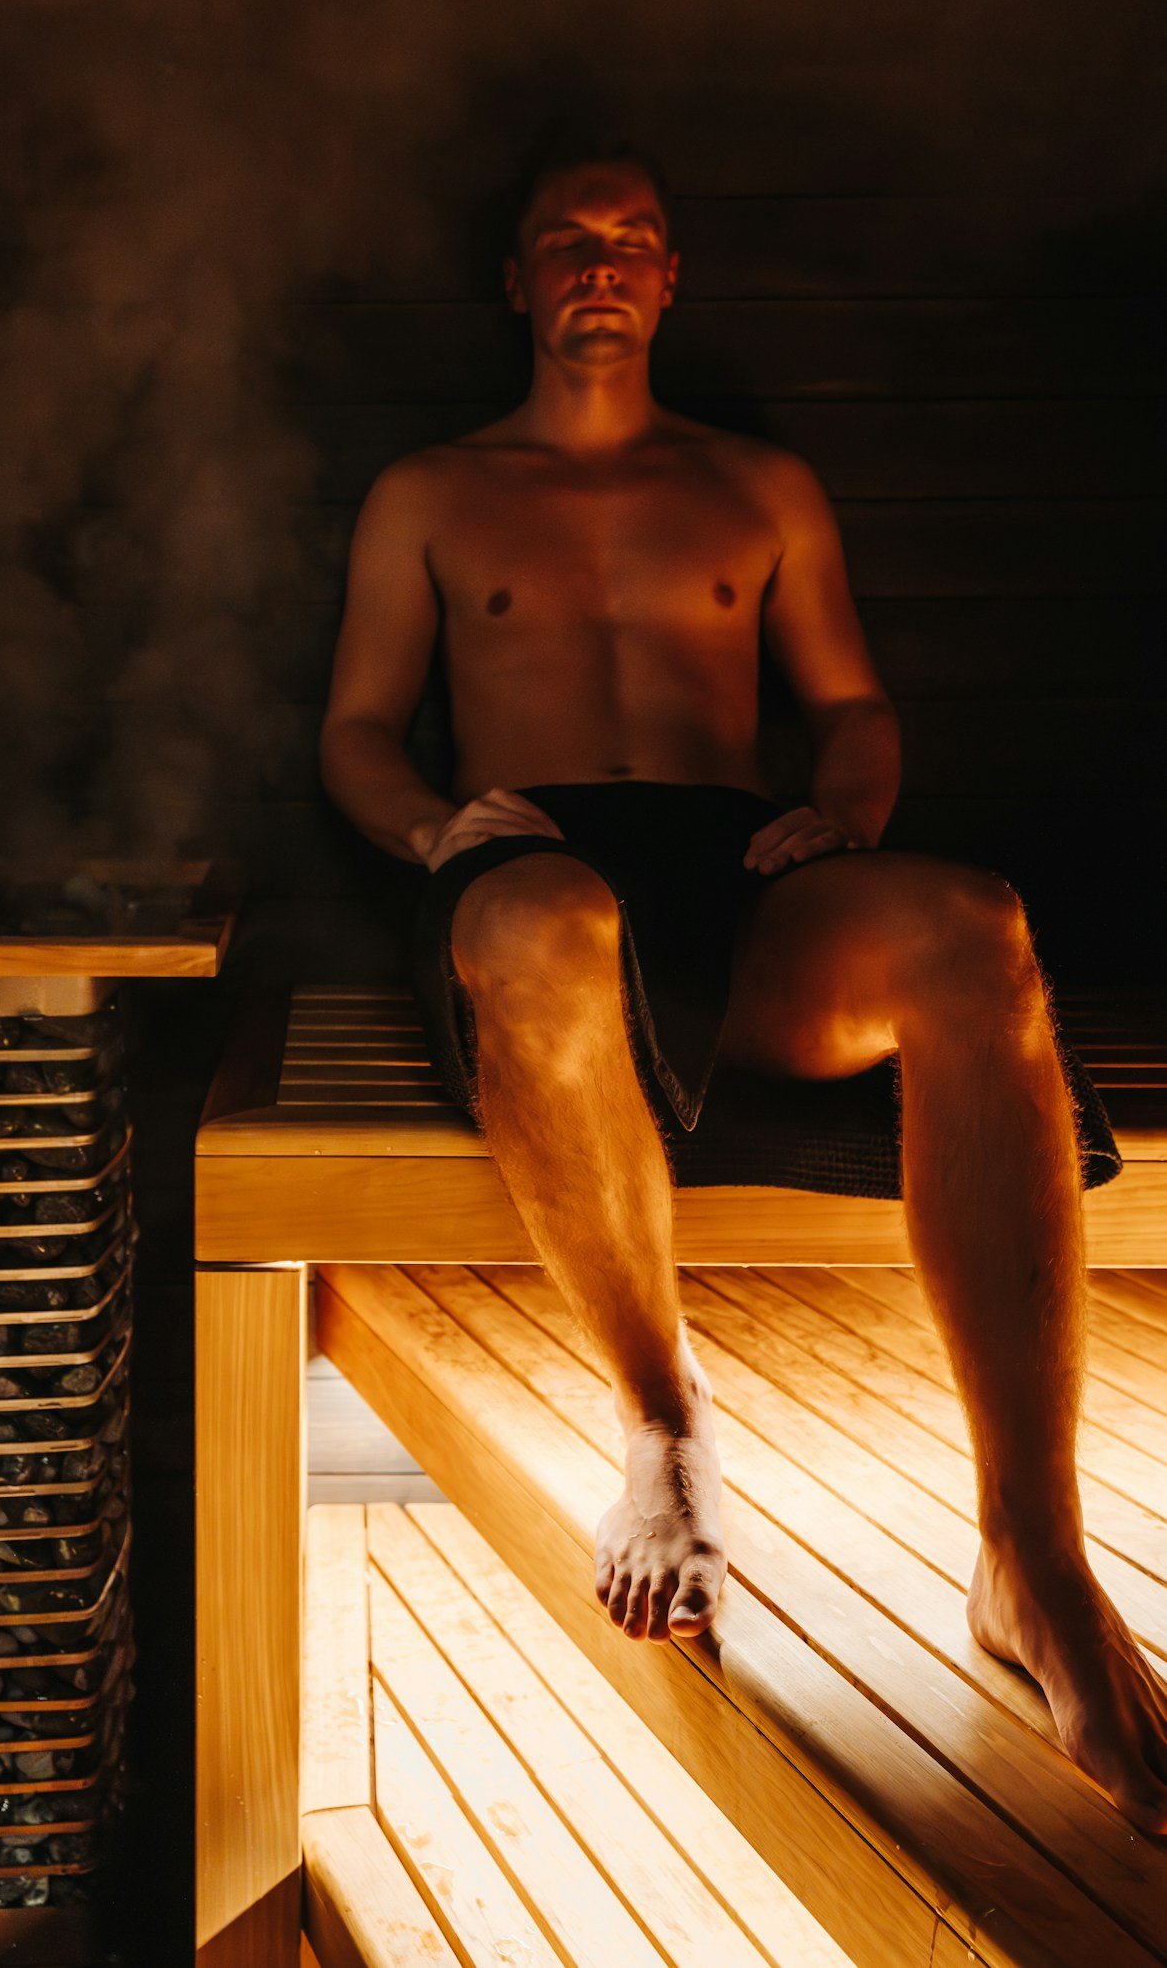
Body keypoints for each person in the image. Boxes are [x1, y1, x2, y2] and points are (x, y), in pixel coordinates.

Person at [316, 134, 1165, 1833]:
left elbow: (848, 705)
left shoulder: (759, 488)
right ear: (518, 280)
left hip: (736, 858)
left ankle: (1035, 1556)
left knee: (971, 923)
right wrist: (434, 833)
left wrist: (839, 817)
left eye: (634, 235)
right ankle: (664, 1422)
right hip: (527, 861)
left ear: (672, 275)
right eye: (566, 237)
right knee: (549, 920)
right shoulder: (431, 489)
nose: (602, 259)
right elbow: (352, 729)